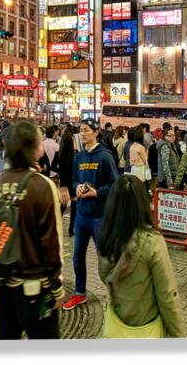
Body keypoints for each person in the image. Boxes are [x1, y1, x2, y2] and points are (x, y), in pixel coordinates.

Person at [0, 121, 64, 340]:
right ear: (32, 148)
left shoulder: (2, 179)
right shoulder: (42, 185)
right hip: (35, 287)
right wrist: (57, 288)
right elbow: (51, 242)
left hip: (3, 284)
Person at [98, 176, 186, 337]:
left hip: (116, 328)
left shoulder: (106, 238)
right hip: (147, 329)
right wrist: (178, 335)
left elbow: (104, 276)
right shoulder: (152, 242)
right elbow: (167, 294)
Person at [63, 118, 119, 311]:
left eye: (87, 130)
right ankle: (80, 293)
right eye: (81, 130)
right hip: (81, 217)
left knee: (104, 257)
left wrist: (98, 192)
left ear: (96, 132)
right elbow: (73, 180)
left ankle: (114, 295)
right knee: (77, 256)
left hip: (100, 217)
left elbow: (115, 183)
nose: (83, 133)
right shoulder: (78, 157)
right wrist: (77, 187)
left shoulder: (105, 156)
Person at [53, 125, 77, 235]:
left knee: (62, 205)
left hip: (63, 182)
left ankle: (55, 225)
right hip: (73, 182)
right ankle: (71, 229)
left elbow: (52, 166)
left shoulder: (59, 153)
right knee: (74, 207)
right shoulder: (75, 155)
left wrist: (60, 172)